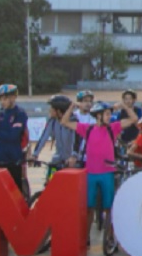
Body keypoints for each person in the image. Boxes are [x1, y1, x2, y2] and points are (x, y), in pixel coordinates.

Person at [62, 101, 136, 231]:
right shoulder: (88, 128)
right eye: (106, 114)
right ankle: (86, 237)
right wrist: (71, 107)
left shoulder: (113, 128)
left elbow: (134, 119)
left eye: (109, 114)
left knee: (109, 207)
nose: (109, 117)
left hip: (107, 172)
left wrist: (124, 106)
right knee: (89, 207)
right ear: (98, 116)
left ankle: (110, 237)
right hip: (91, 173)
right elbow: (64, 122)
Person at [0, 84, 30, 198]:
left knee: (15, 194)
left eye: (5, 98)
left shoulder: (20, 114)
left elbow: (13, 136)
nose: (2, 101)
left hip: (13, 161)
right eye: (1, 99)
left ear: (13, 97)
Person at [32, 95, 79, 174]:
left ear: (59, 111)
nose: (49, 110)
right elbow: (44, 137)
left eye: (52, 108)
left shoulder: (73, 122)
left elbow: (77, 141)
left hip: (71, 161)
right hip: (57, 160)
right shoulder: (52, 121)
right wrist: (35, 154)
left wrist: (73, 156)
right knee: (49, 182)